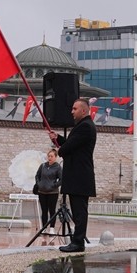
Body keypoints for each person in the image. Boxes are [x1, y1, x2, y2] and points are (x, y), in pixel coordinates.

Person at [56, 98, 96, 253]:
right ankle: (77, 241)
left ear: (83, 111)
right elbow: (71, 144)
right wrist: (58, 139)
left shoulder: (85, 127)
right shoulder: (83, 126)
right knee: (78, 210)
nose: (71, 112)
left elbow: (66, 149)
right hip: (79, 176)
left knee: (79, 211)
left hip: (79, 176)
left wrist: (60, 146)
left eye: (74, 109)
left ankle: (78, 242)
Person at [33, 148, 62, 235]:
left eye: (51, 156)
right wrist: (39, 184)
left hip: (52, 193)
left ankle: (52, 228)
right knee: (44, 211)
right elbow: (37, 176)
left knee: (52, 210)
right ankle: (44, 228)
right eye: (48, 156)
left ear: (55, 157)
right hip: (42, 192)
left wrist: (54, 185)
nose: (49, 158)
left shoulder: (58, 167)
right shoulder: (43, 166)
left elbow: (61, 179)